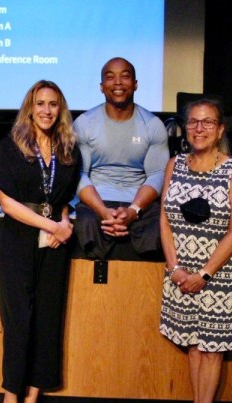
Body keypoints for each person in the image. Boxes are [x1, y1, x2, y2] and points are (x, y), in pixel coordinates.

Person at [160, 98, 232, 403]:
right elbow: (165, 219)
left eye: (208, 122)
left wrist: (204, 274)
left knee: (212, 348)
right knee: (193, 346)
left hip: (219, 274)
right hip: (180, 272)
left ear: (221, 129)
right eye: (193, 122)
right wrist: (176, 269)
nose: (199, 128)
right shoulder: (174, 164)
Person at [0, 80, 81, 403]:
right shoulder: (11, 146)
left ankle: (32, 399)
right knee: (20, 323)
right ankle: (10, 398)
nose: (46, 110)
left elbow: (63, 196)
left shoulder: (67, 148)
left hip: (54, 246)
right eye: (40, 103)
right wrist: (52, 225)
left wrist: (63, 222)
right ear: (30, 107)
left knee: (47, 321)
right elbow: (5, 200)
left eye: (53, 104)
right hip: (17, 240)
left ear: (61, 109)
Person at [73, 57, 170, 260]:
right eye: (110, 77)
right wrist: (103, 212)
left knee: (158, 224)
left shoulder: (152, 125)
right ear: (101, 87)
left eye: (125, 76)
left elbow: (156, 174)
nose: (118, 82)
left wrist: (133, 211)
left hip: (137, 201)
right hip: (97, 199)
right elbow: (80, 173)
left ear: (135, 84)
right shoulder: (85, 123)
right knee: (87, 224)